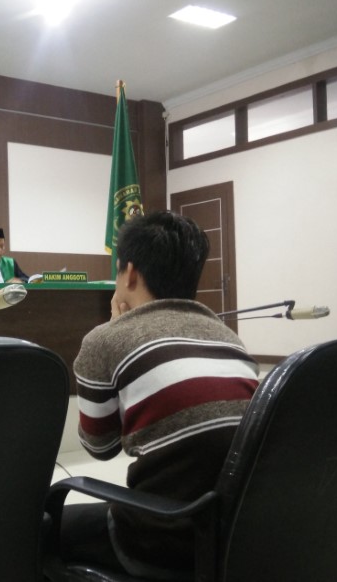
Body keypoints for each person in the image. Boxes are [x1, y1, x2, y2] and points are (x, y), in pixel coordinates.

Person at [61, 211, 259, 579]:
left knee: (43, 519)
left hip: (160, 541)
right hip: (237, 539)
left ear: (130, 272)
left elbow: (99, 449)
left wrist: (113, 332)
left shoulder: (104, 340)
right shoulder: (229, 337)